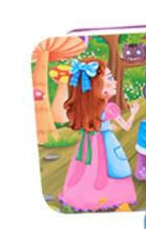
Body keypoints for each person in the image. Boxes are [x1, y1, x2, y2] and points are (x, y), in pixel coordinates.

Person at [59, 58, 138, 211]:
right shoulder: (109, 109)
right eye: (109, 78)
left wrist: (106, 126)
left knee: (85, 169)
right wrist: (134, 113)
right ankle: (109, 197)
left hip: (87, 144)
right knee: (110, 167)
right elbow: (127, 127)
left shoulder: (88, 109)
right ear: (98, 87)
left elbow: (95, 125)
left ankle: (85, 197)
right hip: (106, 143)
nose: (115, 82)